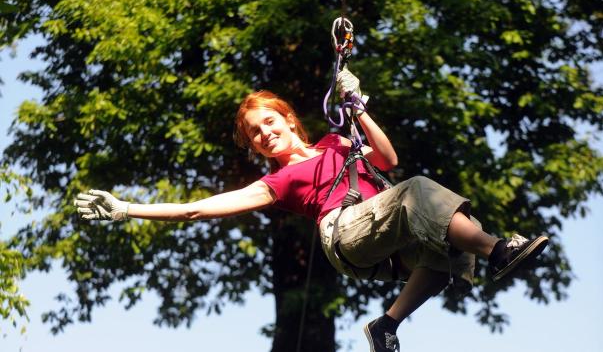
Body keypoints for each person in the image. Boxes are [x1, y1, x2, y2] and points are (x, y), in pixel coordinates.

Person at [75, 69, 549, 352]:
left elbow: (388, 159)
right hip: (344, 233)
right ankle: (499, 251)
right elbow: (196, 210)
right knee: (422, 193)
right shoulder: (276, 182)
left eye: (269, 122)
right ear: (257, 149)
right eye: (255, 134)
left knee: (450, 247)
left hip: (384, 227)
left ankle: (386, 325)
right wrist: (127, 209)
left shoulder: (336, 142)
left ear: (288, 119)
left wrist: (358, 106)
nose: (265, 134)